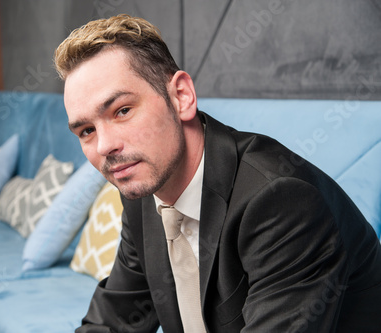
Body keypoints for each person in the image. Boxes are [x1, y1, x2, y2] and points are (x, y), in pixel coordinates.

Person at [54, 14, 381, 332]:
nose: (104, 146)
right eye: (86, 131)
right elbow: (113, 322)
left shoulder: (280, 200)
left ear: (181, 96)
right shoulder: (145, 193)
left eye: (122, 111)